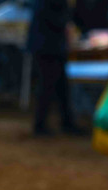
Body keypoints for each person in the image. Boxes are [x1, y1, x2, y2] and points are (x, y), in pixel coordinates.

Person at [27, 0, 82, 136]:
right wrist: (67, 25)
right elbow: (53, 17)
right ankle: (41, 125)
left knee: (60, 86)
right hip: (48, 46)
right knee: (48, 86)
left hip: (51, 45)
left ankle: (66, 122)